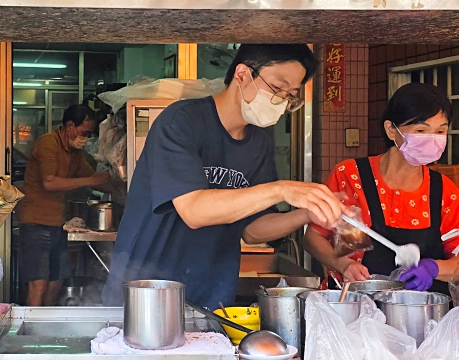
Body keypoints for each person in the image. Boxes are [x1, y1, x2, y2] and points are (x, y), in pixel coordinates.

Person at [101, 44, 343, 309]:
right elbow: (194, 211)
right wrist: (282, 189)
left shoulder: (259, 145)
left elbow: (252, 230)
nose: (281, 101)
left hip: (210, 295)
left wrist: (308, 212)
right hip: (147, 290)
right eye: (276, 88)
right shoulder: (180, 122)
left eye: (290, 95)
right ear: (241, 75)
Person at [305, 82, 459, 291]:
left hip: (419, 315)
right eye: (421, 130)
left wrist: (434, 268)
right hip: (351, 307)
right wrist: (343, 263)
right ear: (391, 130)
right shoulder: (351, 177)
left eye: (440, 131)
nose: (432, 139)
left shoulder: (444, 192)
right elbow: (314, 237)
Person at [16, 104, 111, 306]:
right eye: (84, 132)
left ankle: (47, 329)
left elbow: (92, 176)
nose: (86, 138)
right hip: (35, 223)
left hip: (57, 224)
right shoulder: (48, 143)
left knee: (55, 283)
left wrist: (120, 181)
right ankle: (31, 335)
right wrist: (90, 181)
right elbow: (49, 182)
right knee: (38, 284)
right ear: (69, 126)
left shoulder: (74, 152)